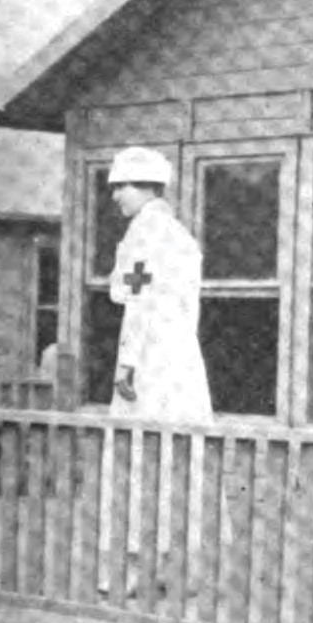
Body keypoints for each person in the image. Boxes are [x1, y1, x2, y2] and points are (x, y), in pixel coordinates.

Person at [106, 146, 212, 422]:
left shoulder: (144, 231)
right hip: (181, 354)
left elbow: (139, 301)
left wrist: (126, 363)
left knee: (141, 437)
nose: (115, 196)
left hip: (149, 354)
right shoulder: (177, 231)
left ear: (146, 187)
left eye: (121, 186)